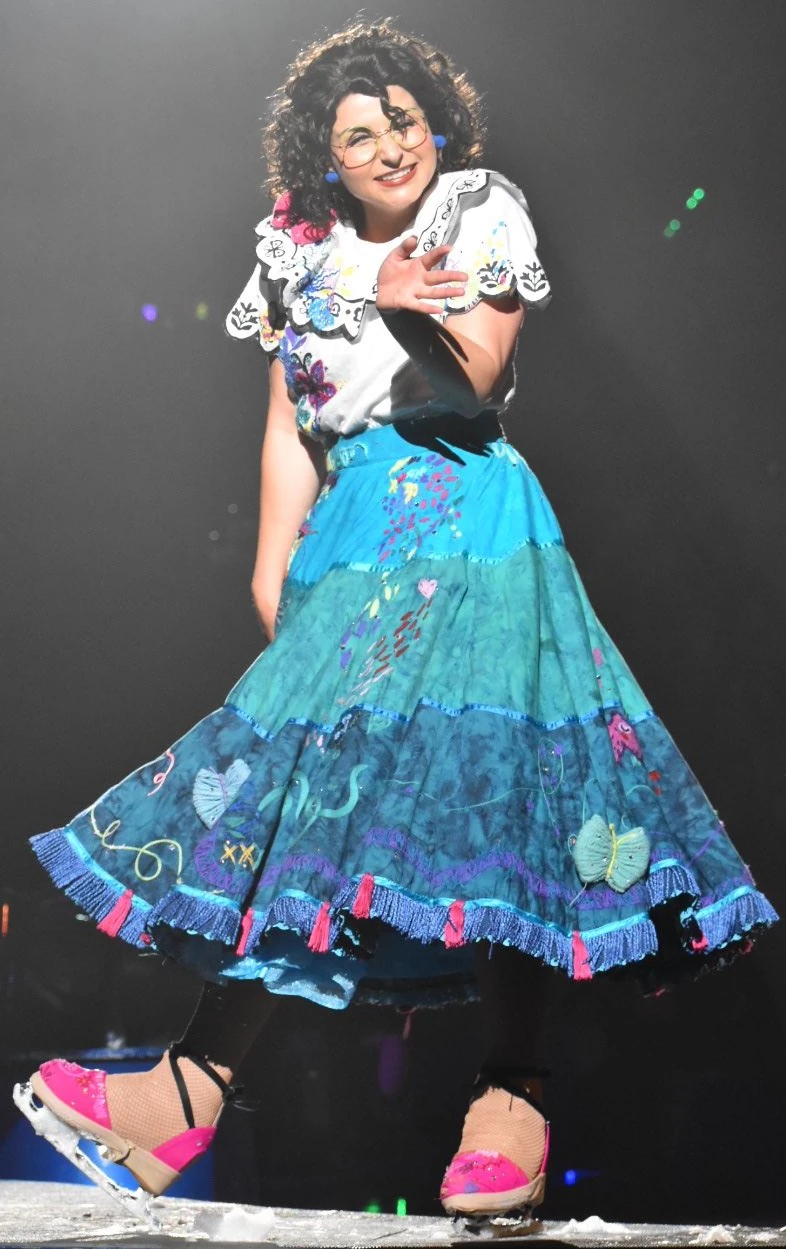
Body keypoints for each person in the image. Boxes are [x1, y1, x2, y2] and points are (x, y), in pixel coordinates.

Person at [16, 18, 778, 1231]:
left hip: (465, 513)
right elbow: (291, 414)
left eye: (403, 120)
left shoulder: (479, 211)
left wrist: (395, 299)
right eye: (358, 133)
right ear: (324, 158)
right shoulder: (299, 255)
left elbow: (475, 379)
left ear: (437, 124)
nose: (387, 145)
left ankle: (510, 1101)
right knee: (309, 802)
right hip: (350, 537)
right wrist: (275, 561)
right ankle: (187, 1091)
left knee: (494, 787)